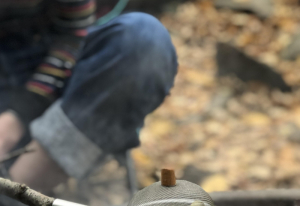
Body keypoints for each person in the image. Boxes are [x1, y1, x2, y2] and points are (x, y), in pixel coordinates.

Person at [0, 1, 178, 192]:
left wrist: (18, 115)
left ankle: (15, 201)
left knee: (143, 38)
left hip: (55, 88)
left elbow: (73, 33)